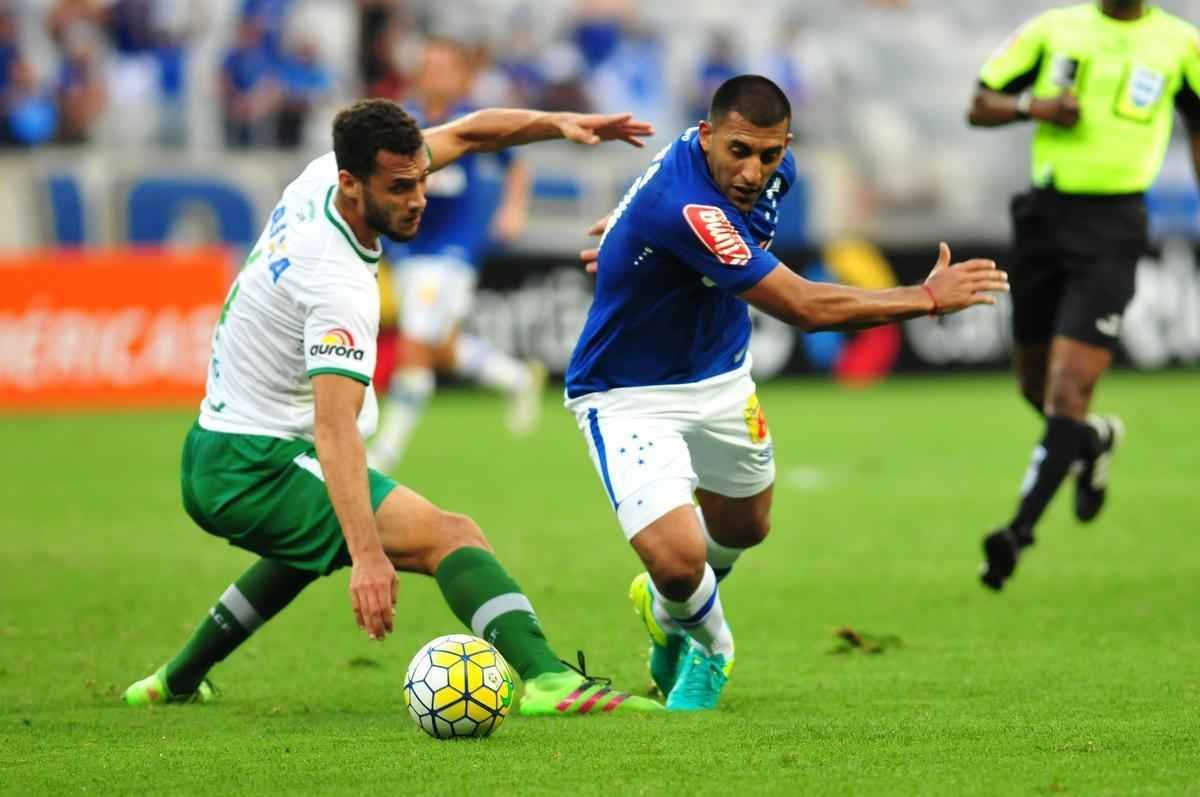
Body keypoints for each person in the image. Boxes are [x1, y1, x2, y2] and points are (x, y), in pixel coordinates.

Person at [123, 98, 663, 717]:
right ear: (353, 184)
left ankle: (173, 681)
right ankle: (548, 681)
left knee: (296, 557)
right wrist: (370, 557)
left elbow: (467, 132)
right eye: (400, 188)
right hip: (251, 467)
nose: (418, 199)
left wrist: (558, 125)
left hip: (227, 444)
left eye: (421, 181)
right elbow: (335, 429)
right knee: (451, 536)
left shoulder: (324, 173)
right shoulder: (337, 285)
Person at [566, 75, 1008, 711]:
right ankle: (711, 650)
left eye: (768, 154)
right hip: (628, 391)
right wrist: (924, 296)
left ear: (785, 146)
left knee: (746, 527)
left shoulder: (773, 172)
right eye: (738, 151)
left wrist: (634, 231)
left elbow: (678, 200)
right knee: (678, 558)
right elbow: (803, 306)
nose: (752, 171)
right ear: (707, 134)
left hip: (720, 377)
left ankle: (665, 614)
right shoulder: (687, 208)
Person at [967, 0, 1200, 591]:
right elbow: (979, 104)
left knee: (1069, 390)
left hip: (1115, 227)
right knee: (1035, 387)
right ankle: (1093, 439)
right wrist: (1034, 106)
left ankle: (1017, 533)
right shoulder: (1053, 29)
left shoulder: (1181, 44)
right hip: (1044, 219)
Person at [368, 39, 543, 472]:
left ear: (462, 75)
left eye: (447, 68)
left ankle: (383, 453)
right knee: (439, 349)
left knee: (413, 347)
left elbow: (516, 165)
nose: (438, 76)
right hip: (408, 250)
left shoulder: (470, 120)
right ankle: (517, 377)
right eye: (431, 67)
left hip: (452, 252)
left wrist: (513, 208)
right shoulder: (403, 120)